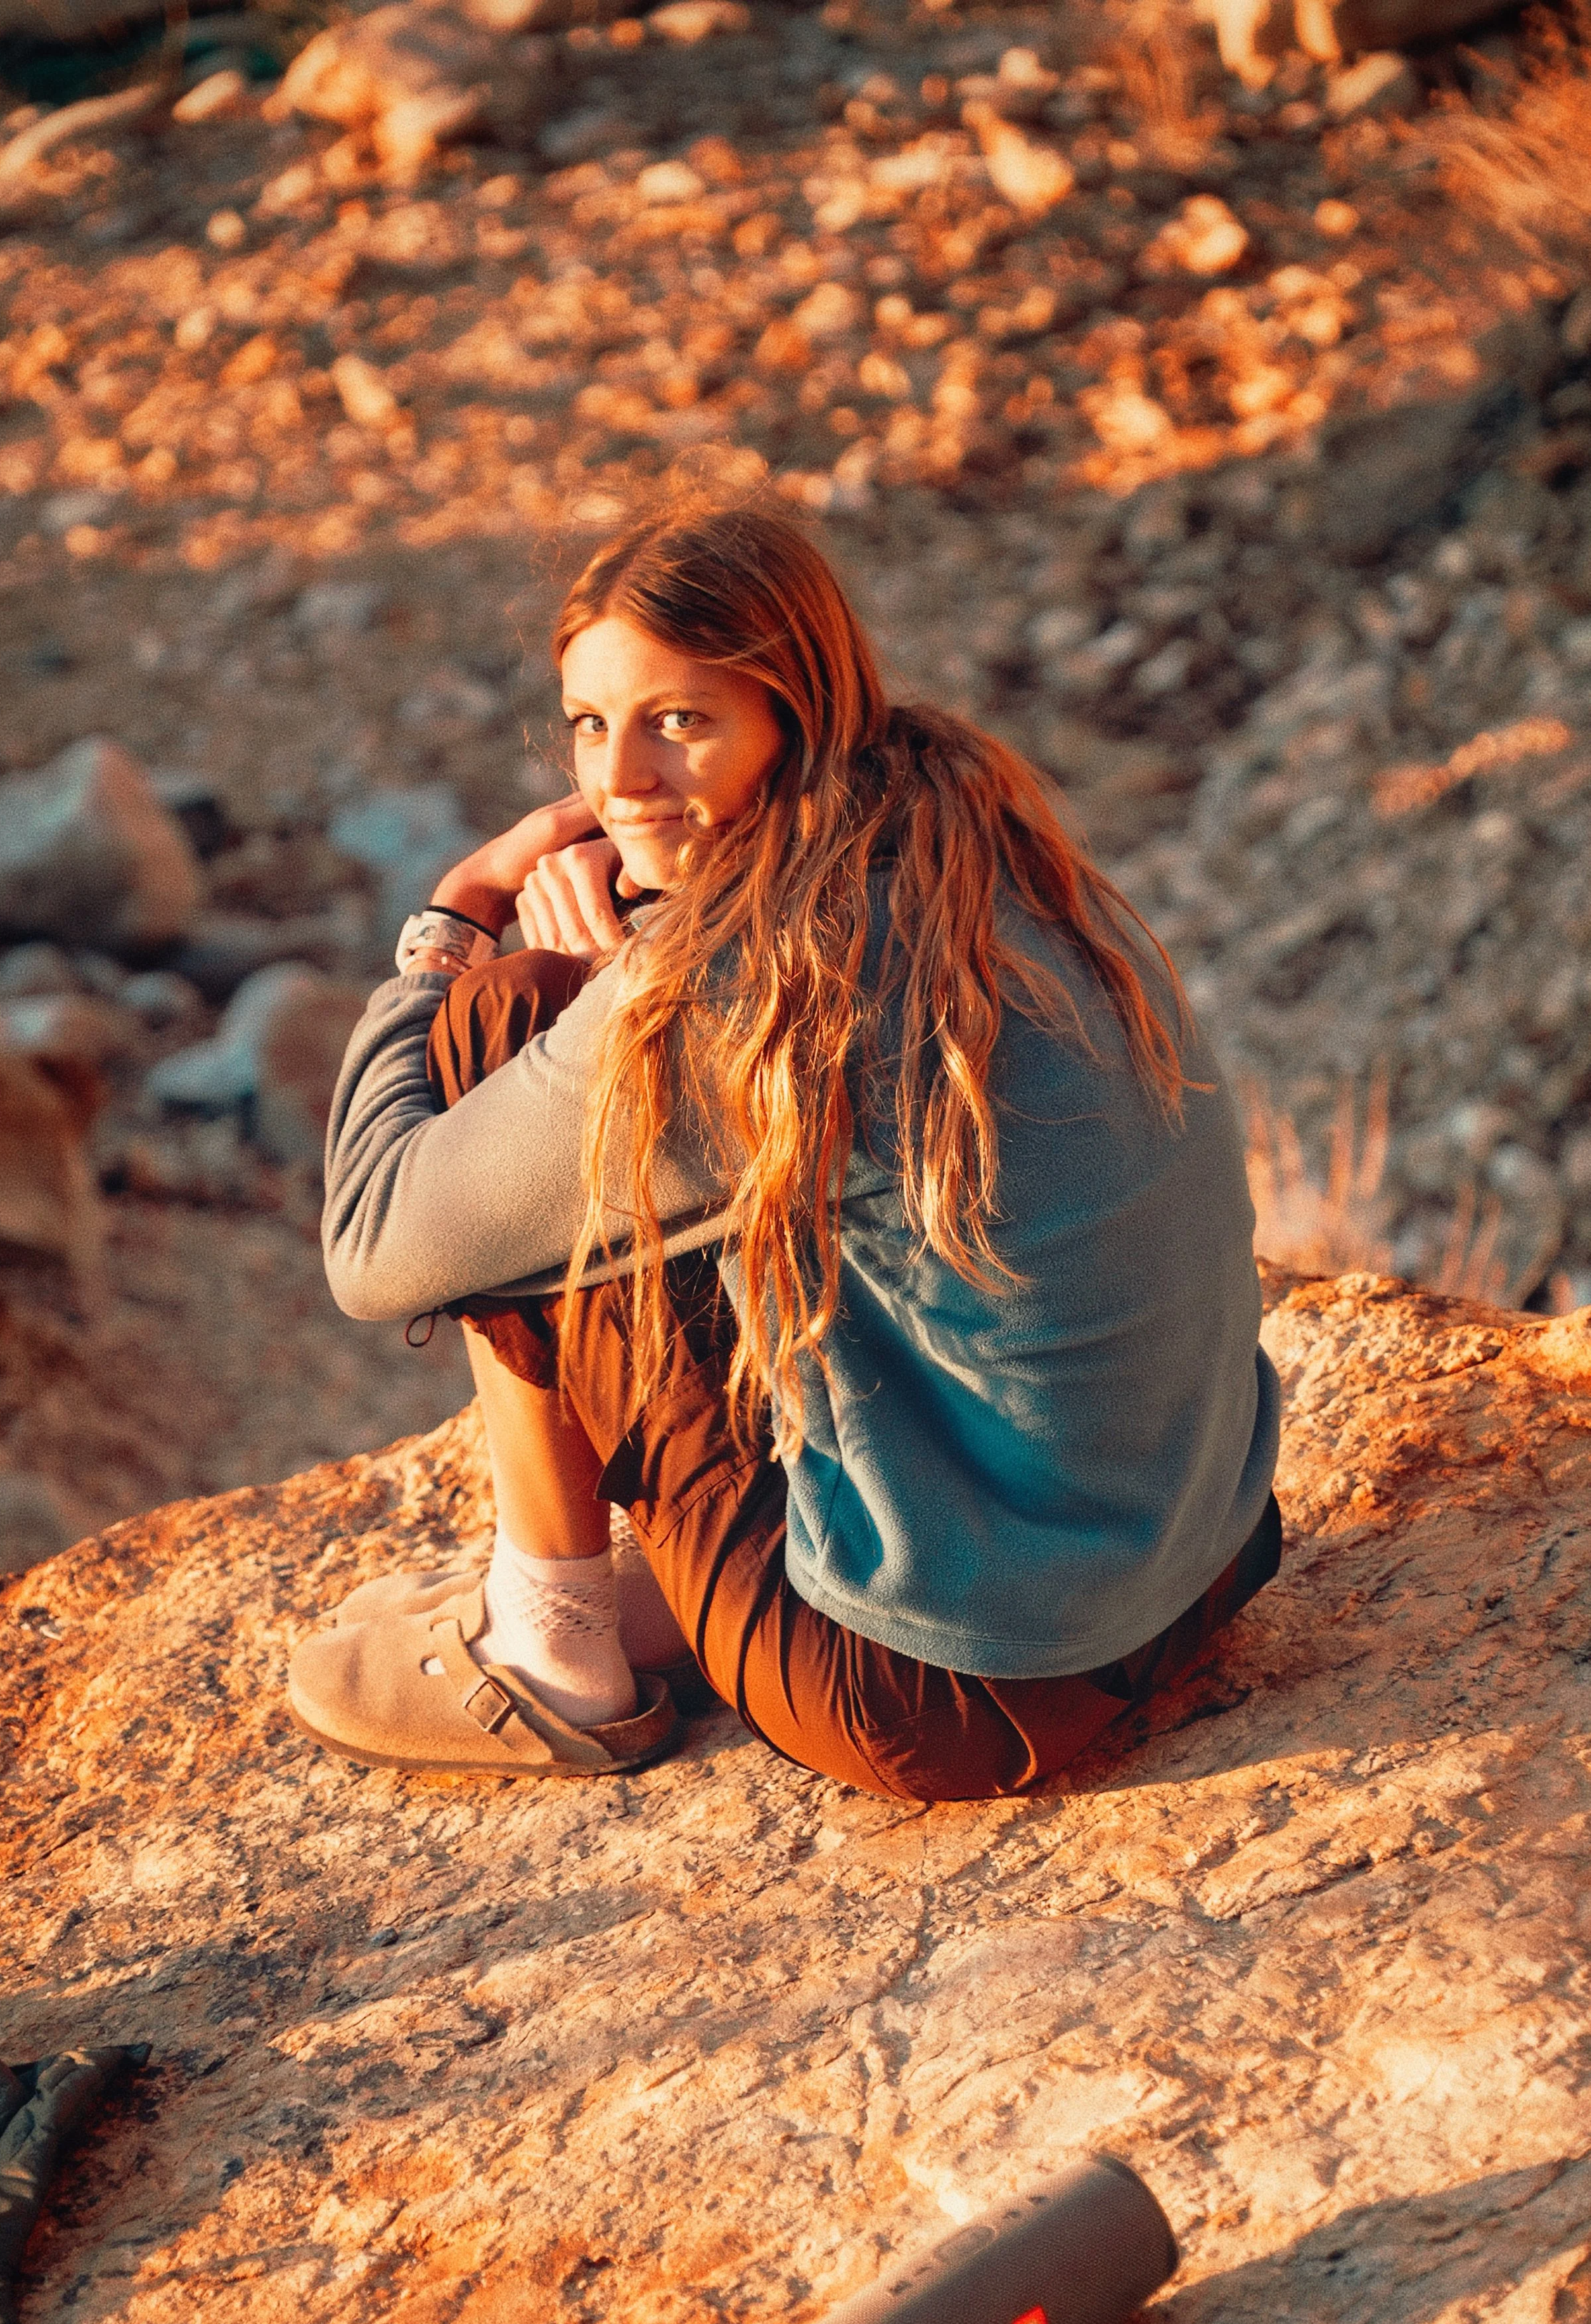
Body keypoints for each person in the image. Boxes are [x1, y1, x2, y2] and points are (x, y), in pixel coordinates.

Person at [292, 494, 1280, 1801]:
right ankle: (731, 1569)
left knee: (504, 1022)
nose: (618, 783)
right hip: (1198, 1558)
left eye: (679, 722)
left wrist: (455, 921)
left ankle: (548, 1643)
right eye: (592, 725)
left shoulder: (749, 988)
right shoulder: (977, 838)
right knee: (591, 1058)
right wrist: (650, 927)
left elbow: (376, 1244)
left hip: (940, 1693)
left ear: (794, 716)